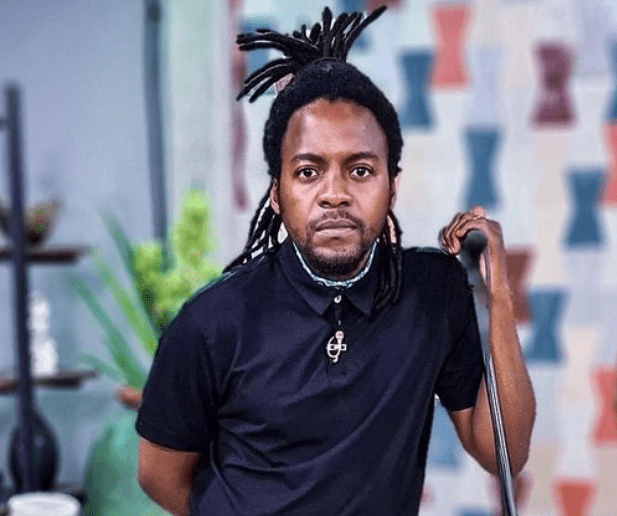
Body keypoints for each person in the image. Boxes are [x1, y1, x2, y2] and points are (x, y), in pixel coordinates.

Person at [136, 6, 536, 516]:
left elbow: (504, 453)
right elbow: (159, 476)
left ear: (392, 184)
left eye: (360, 170)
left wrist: (498, 294)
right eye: (308, 172)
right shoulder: (211, 323)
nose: (335, 194)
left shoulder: (431, 294)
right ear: (277, 193)